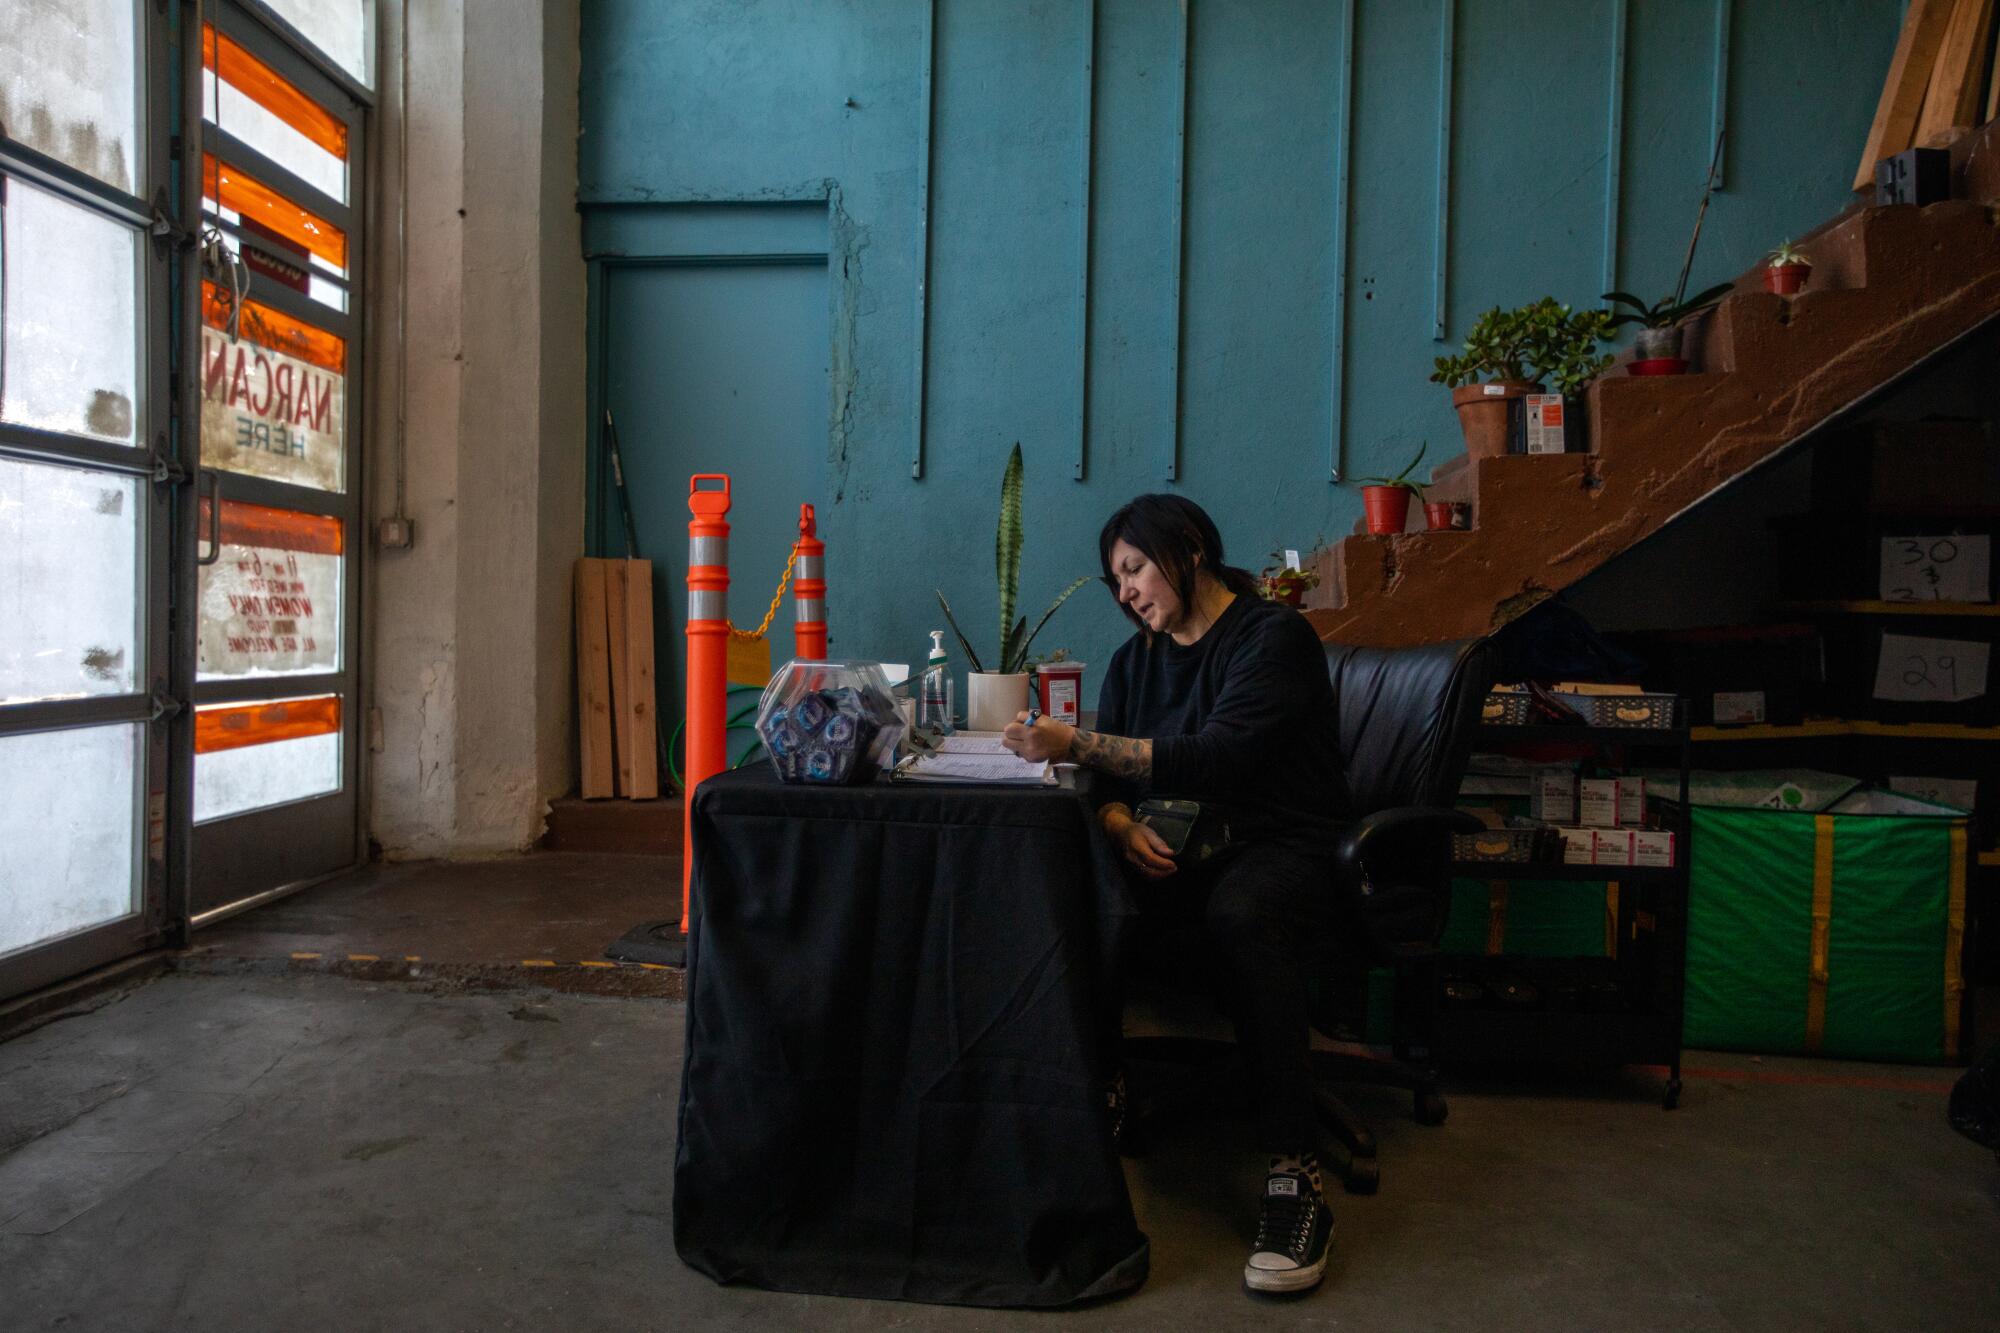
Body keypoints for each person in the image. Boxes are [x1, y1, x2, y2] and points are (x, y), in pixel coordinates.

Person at [1002, 493, 1349, 1297]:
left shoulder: (1273, 638)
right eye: (1115, 581)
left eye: (1133, 569)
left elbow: (1217, 756)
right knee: (1073, 883)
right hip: (1177, 844)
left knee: (1242, 912)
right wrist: (1121, 826)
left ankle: (1294, 1174)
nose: (1125, 593)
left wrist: (1073, 738)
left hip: (1283, 844)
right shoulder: (1137, 660)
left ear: (1188, 547)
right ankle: (1097, 1095)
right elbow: (1106, 785)